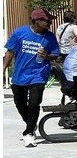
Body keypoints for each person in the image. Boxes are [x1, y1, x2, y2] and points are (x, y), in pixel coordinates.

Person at [3, 9, 61, 147]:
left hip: (39, 74)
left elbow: (56, 55)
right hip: (20, 74)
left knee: (34, 103)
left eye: (50, 20)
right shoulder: (19, 33)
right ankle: (31, 123)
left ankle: (28, 133)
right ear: (36, 21)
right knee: (19, 102)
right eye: (46, 20)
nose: (50, 22)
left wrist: (47, 55)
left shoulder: (50, 37)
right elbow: (10, 52)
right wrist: (3, 68)